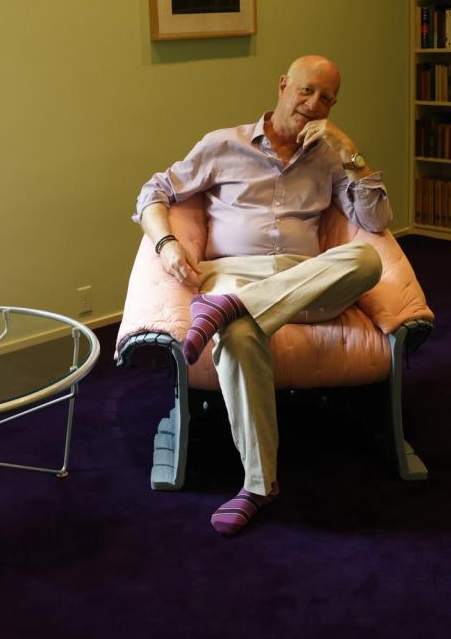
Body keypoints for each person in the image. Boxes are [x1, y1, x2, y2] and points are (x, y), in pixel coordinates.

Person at [132, 54, 390, 536]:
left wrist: (350, 148)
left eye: (327, 98)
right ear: (283, 85)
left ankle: (232, 309)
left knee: (367, 260)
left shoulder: (332, 156)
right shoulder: (222, 144)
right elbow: (154, 192)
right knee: (239, 335)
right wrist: (167, 244)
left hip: (306, 283)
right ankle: (259, 484)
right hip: (232, 274)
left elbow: (375, 222)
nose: (314, 104)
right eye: (307, 90)